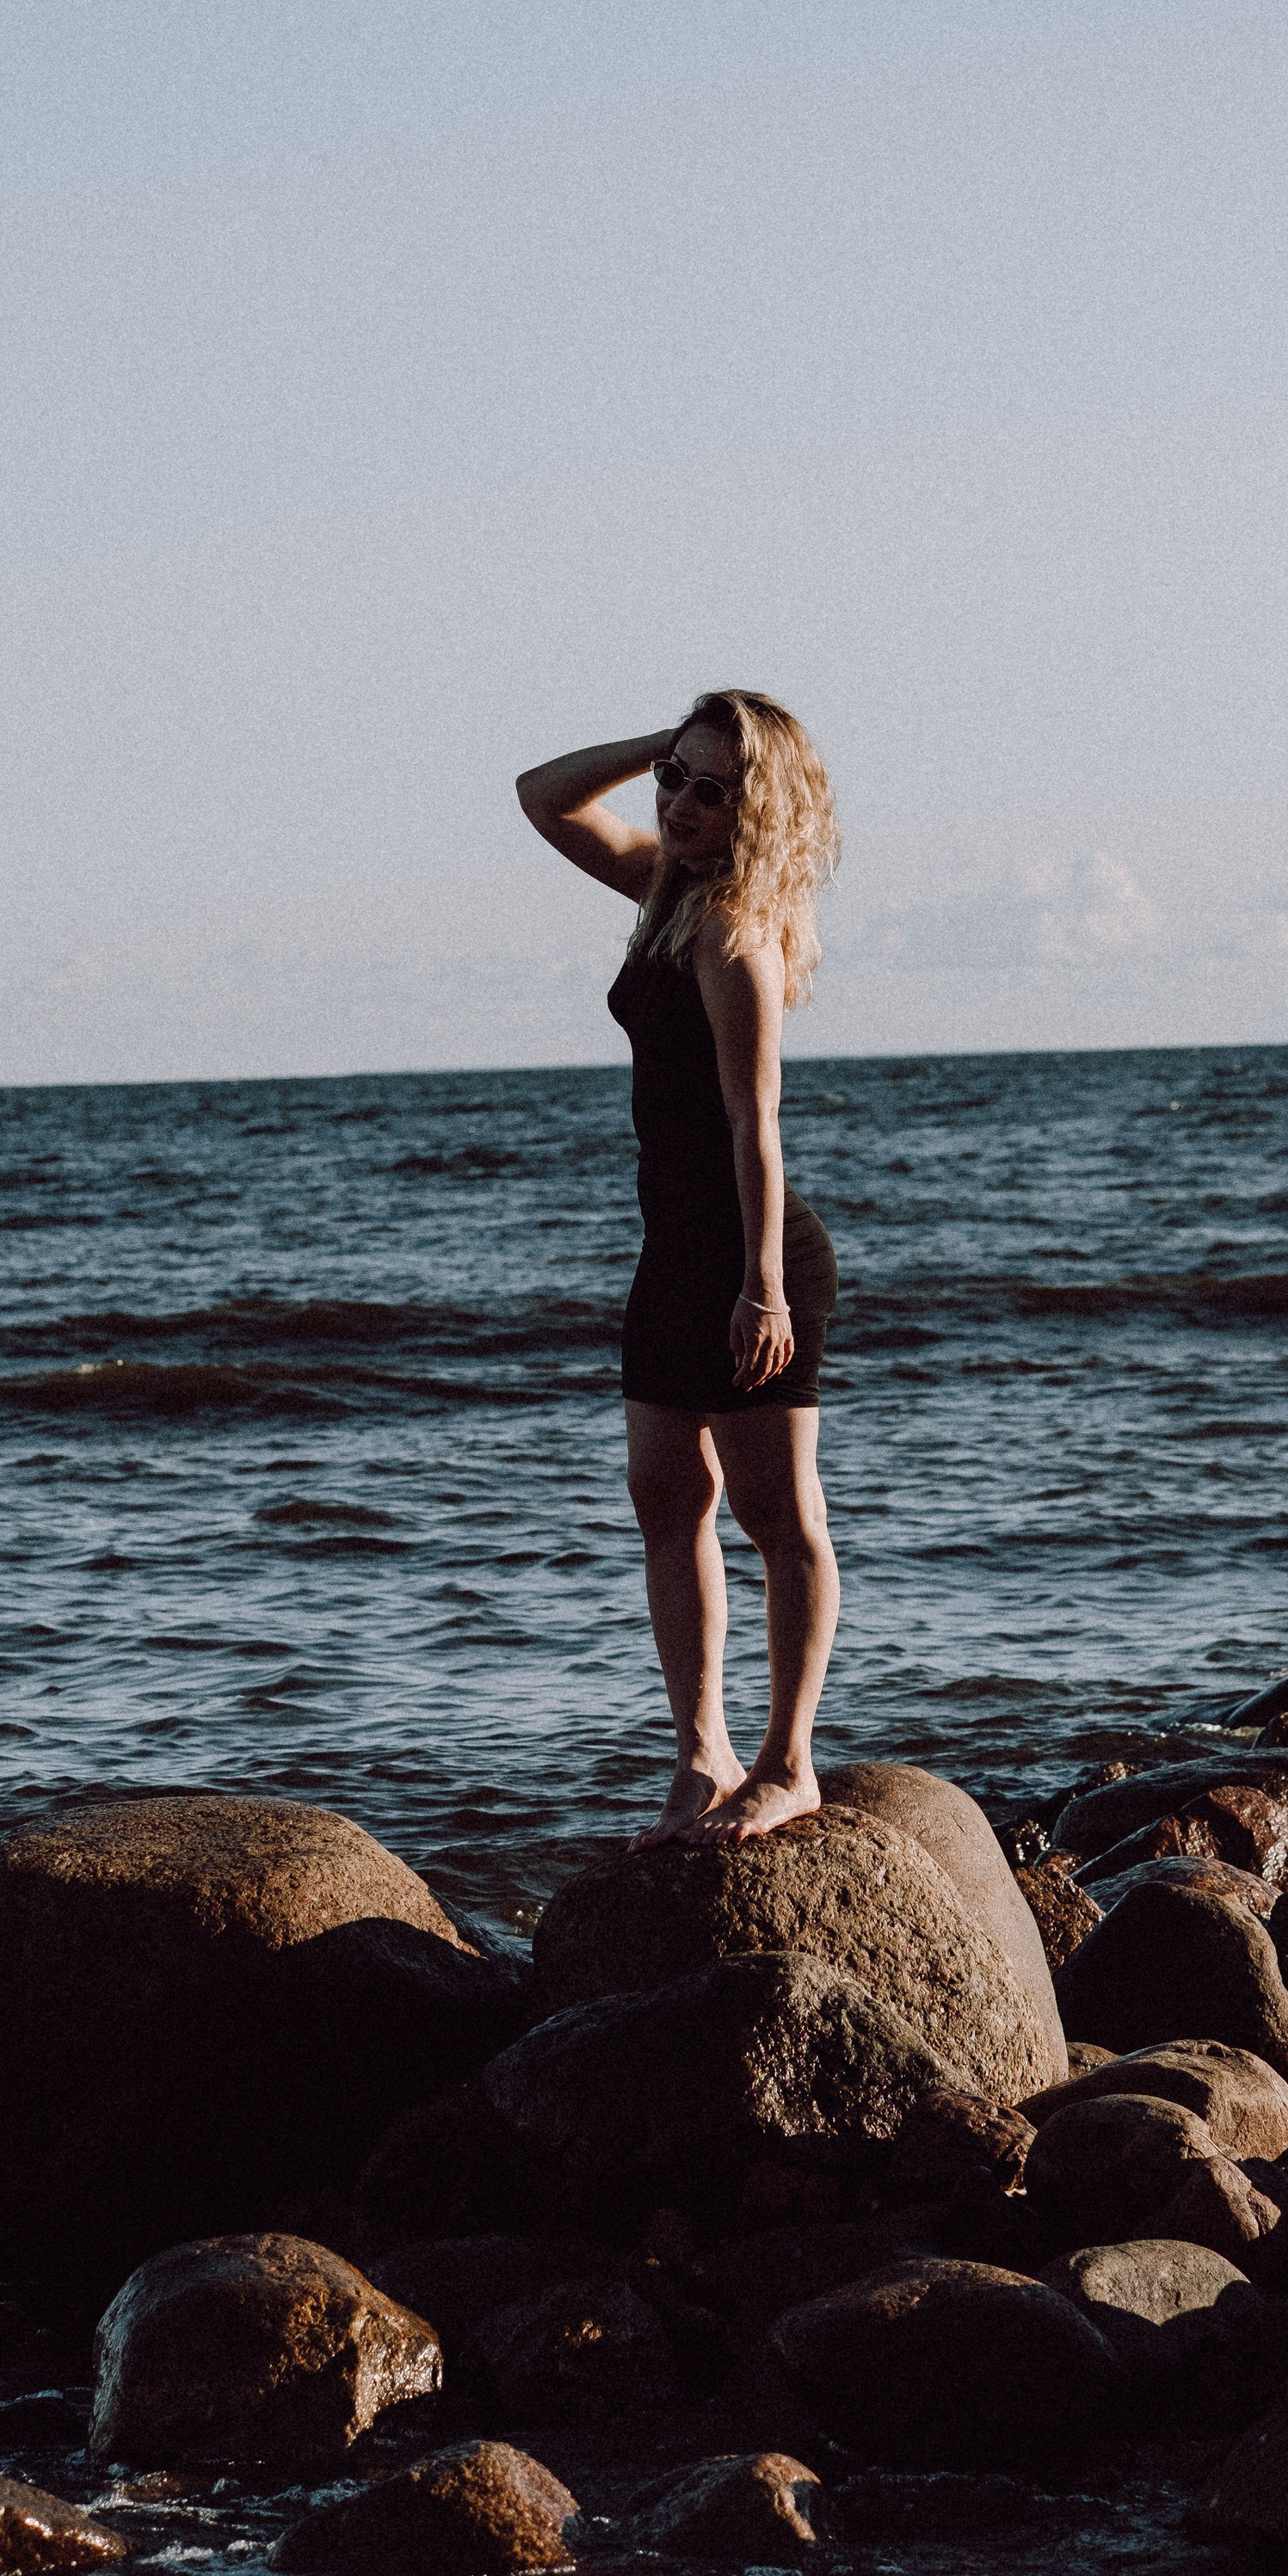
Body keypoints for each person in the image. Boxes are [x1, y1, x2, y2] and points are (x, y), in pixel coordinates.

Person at [516, 691, 842, 1844]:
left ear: (759, 809)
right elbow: (542, 798)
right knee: (666, 1496)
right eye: (675, 779)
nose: (683, 805)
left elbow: (757, 1121)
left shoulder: (732, 931)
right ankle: (700, 1755)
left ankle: (790, 1761)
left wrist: (765, 1285)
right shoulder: (668, 890)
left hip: (750, 1252)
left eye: (714, 789)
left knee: (773, 1512)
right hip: (672, 1246)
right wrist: (649, 741)